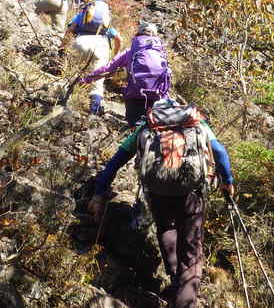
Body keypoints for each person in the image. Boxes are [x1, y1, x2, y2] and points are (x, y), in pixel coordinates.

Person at [87, 99, 235, 308]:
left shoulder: (147, 126)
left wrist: (98, 193)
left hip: (158, 193)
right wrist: (228, 181)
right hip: (191, 193)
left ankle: (176, 280)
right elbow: (219, 152)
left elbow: (116, 161)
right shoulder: (196, 122)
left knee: (166, 228)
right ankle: (185, 299)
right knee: (192, 251)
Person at [81, 21, 171, 127]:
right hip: (158, 96)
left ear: (138, 34)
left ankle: (134, 129)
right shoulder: (161, 53)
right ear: (155, 37)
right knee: (156, 126)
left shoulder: (131, 52)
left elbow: (108, 67)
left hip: (135, 94)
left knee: (135, 126)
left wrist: (85, 80)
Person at [61, 0, 122, 114]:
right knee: (97, 83)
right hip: (100, 47)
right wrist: (115, 56)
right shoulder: (106, 23)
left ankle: (64, 104)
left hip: (80, 43)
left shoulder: (81, 16)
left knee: (73, 74)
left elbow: (70, 30)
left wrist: (62, 48)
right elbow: (119, 39)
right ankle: (93, 112)